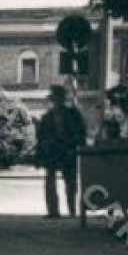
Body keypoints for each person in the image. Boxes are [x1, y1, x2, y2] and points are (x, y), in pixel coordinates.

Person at [36, 85, 88, 218]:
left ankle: (72, 210)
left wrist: (76, 147)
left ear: (62, 99)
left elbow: (81, 132)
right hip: (53, 151)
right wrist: (42, 151)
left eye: (57, 98)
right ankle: (53, 211)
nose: (55, 101)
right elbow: (41, 137)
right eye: (54, 98)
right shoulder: (47, 117)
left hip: (68, 150)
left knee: (70, 181)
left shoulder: (73, 114)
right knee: (50, 180)